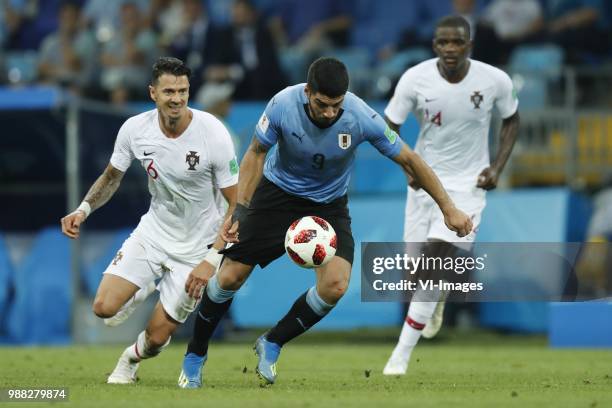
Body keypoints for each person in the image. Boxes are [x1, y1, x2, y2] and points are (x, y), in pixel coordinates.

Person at [176, 56, 474, 389]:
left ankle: (272, 342)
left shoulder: (360, 116)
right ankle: (194, 357)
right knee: (229, 276)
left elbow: (409, 158)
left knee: (336, 285)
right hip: (276, 195)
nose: (330, 112)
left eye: (336, 105)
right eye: (322, 104)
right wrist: (241, 211)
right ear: (307, 92)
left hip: (328, 205)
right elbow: (256, 153)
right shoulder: (282, 105)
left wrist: (448, 208)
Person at [60, 57, 239, 384]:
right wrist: (83, 209)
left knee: (156, 340)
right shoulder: (134, 129)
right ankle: (143, 286)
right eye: (169, 91)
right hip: (154, 233)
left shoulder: (213, 133)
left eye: (183, 90)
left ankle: (129, 360)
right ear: (153, 93)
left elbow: (238, 205)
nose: (177, 98)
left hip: (196, 249)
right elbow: (111, 177)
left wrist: (211, 259)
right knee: (103, 307)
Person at [382, 15, 520, 376]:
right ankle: (438, 290)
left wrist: (498, 168)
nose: (450, 49)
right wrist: (407, 168)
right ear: (435, 45)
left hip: (468, 186)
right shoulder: (414, 78)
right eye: (443, 42)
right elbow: (389, 127)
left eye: (457, 42)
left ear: (469, 45)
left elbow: (512, 119)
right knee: (415, 280)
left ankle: (400, 356)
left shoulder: (494, 80)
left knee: (434, 263)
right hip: (425, 183)